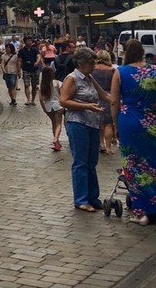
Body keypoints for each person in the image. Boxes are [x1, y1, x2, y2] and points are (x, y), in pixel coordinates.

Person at [110, 38, 156, 226]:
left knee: (133, 165)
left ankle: (141, 212)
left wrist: (115, 125)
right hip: (154, 121)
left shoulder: (120, 72)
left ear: (126, 52)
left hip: (130, 121)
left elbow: (114, 101)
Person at [59, 47, 111, 213]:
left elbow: (104, 95)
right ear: (81, 63)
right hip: (77, 123)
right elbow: (63, 101)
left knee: (91, 162)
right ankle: (81, 199)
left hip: (92, 123)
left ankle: (93, 197)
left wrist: (120, 100)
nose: (93, 66)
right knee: (80, 162)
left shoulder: (89, 77)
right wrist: (86, 106)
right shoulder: (72, 78)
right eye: (90, 63)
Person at [91, 50, 116, 154]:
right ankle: (108, 147)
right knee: (108, 124)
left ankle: (101, 144)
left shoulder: (92, 70)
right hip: (109, 97)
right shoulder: (112, 70)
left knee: (99, 123)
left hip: (96, 97)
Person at [38, 66, 64, 151]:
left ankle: (57, 143)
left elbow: (41, 99)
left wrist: (44, 108)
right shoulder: (57, 83)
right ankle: (56, 138)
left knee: (53, 123)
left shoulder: (42, 86)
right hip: (58, 105)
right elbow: (62, 95)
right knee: (59, 123)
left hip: (48, 106)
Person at [17, 36, 42, 106]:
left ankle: (33, 100)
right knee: (26, 84)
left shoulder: (35, 49)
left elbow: (38, 56)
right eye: (28, 41)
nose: (30, 42)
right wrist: (19, 70)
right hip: (26, 69)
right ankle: (28, 99)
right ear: (25, 42)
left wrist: (37, 62)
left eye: (31, 41)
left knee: (34, 85)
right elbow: (19, 61)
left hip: (34, 69)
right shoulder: (21, 51)